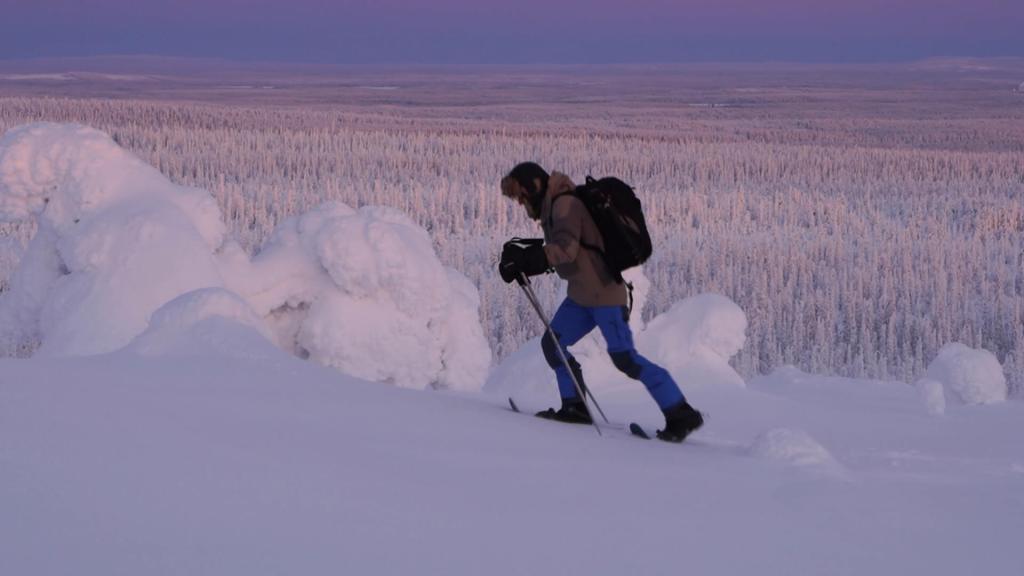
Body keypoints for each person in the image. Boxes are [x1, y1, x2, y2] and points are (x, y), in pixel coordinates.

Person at [498, 162, 704, 442]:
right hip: (581, 297)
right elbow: (570, 243)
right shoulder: (556, 205)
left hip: (605, 296)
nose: (522, 204)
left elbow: (566, 250)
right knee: (553, 344)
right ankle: (575, 407)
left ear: (534, 187)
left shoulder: (564, 204)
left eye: (522, 196)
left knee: (625, 358)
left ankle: (681, 413)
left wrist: (528, 260)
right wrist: (524, 254)